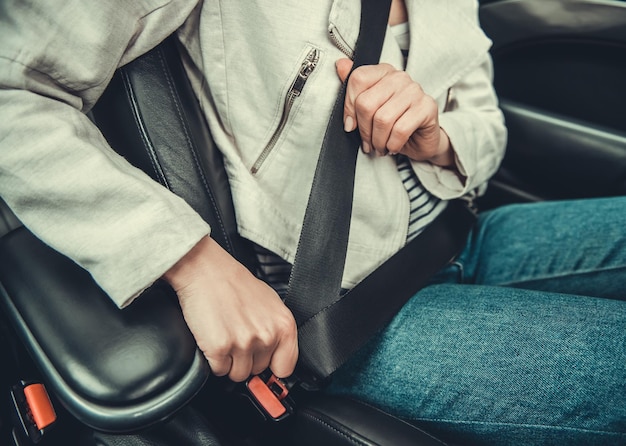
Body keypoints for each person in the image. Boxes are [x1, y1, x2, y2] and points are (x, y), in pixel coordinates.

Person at [0, 1, 624, 445]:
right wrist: (189, 260)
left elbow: (486, 123)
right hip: (342, 309)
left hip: (455, 232)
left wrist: (437, 137)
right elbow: (12, 90)